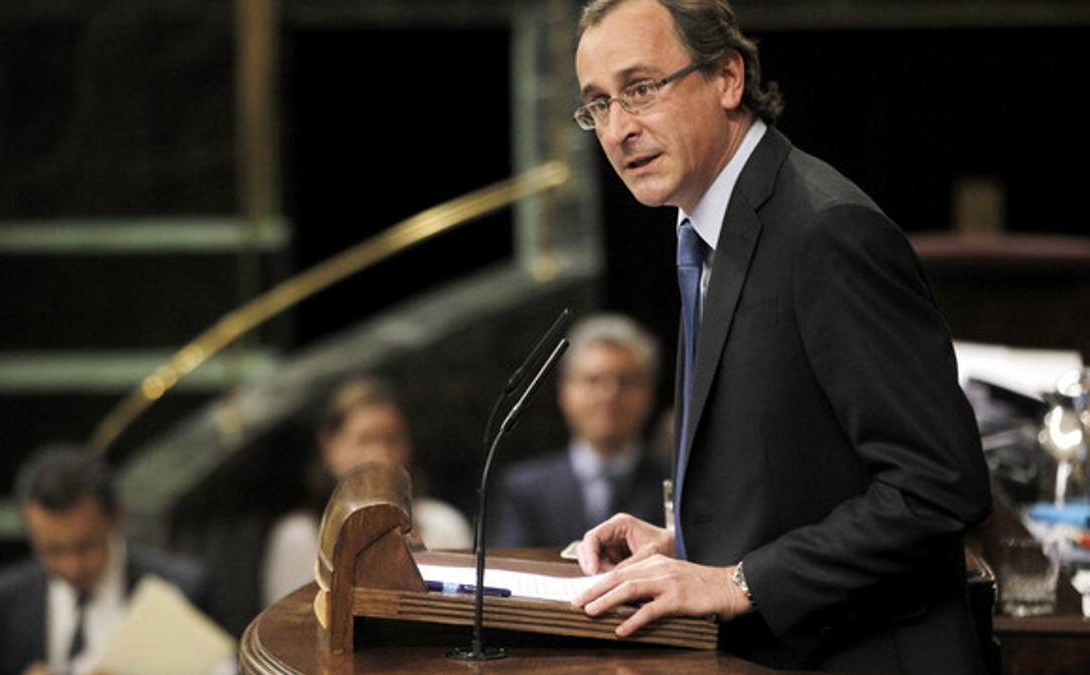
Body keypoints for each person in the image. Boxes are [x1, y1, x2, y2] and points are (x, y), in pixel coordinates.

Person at [568, 1, 992, 672]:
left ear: (728, 78)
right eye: (599, 104)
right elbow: (809, 460)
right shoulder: (706, 227)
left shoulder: (826, 231)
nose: (619, 128)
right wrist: (693, 542)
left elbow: (938, 486)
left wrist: (736, 580)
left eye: (641, 89)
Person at [0, 444, 215, 675]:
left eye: (85, 546)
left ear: (116, 517)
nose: (72, 566)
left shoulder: (186, 591)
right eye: (52, 551)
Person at [261, 376, 472, 606]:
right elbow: (288, 628)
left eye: (392, 440)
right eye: (365, 440)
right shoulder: (297, 537)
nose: (381, 455)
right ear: (330, 446)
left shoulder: (445, 524)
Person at [489, 313, 667, 547]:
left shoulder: (677, 487)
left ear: (649, 392)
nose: (609, 394)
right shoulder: (524, 490)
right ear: (565, 391)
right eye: (594, 380)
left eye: (625, 381)